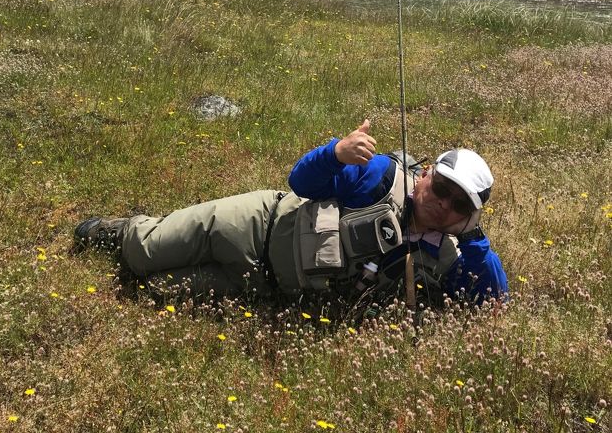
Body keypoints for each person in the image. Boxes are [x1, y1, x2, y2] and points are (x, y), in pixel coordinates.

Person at [74, 120, 508, 311]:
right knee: (142, 254)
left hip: (261, 287)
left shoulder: (450, 258)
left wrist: (473, 238)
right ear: (427, 173)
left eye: (460, 204)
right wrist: (335, 154)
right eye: (442, 188)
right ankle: (122, 230)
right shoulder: (380, 176)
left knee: (153, 291)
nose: (443, 203)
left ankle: (147, 237)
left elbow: (494, 303)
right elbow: (301, 181)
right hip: (252, 225)